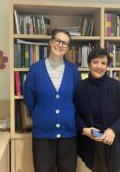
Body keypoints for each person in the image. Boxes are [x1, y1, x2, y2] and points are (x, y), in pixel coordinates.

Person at [24, 29, 79, 172]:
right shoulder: (35, 69)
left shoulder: (73, 70)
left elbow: (77, 99)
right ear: (50, 42)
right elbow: (29, 99)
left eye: (65, 43)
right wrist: (40, 115)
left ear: (68, 48)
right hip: (42, 134)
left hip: (69, 134)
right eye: (57, 41)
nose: (60, 45)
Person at [74, 47, 120, 172]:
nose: (99, 66)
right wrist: (84, 129)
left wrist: (113, 129)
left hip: (113, 141)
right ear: (89, 64)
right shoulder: (80, 87)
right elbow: (75, 113)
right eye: (95, 62)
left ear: (107, 66)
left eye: (103, 63)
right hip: (91, 142)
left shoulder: (116, 86)